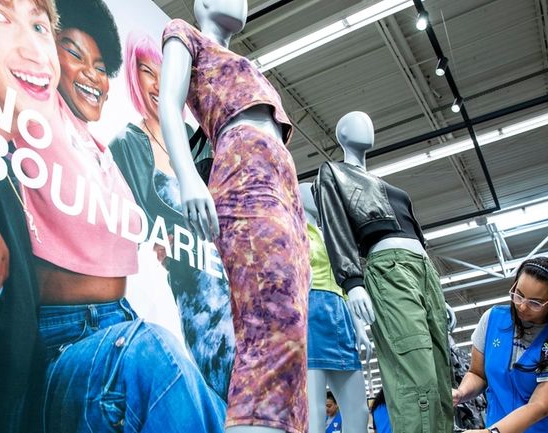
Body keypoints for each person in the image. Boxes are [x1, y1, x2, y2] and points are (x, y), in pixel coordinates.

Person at [0, 0, 228, 431]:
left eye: (99, 64)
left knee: (216, 404)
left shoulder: (100, 151)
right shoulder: (30, 111)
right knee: (153, 359)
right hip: (64, 338)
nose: (92, 74)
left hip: (118, 321)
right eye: (73, 53)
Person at [160, 1, 311, 432]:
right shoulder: (184, 34)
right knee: (270, 319)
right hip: (244, 170)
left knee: (293, 326)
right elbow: (168, 107)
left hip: (281, 183)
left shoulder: (250, 65)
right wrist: (188, 178)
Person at [109, 30, 235, 400]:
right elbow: (130, 232)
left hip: (228, 297)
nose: (159, 81)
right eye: (146, 70)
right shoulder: (127, 145)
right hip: (182, 312)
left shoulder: (200, 144)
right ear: (134, 76)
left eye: (165, 70)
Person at [314, 111, 453, 433]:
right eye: (355, 121)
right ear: (340, 133)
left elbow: (416, 238)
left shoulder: (385, 184)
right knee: (417, 376)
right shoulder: (333, 172)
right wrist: (353, 281)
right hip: (389, 268)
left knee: (441, 376)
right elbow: (336, 228)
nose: (367, 126)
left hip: (423, 271)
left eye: (369, 120)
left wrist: (436, 289)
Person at [452, 257, 548, 433]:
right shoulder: (492, 320)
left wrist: (492, 432)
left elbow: (540, 405)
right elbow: (477, 373)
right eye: (518, 295)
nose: (522, 307)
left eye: (535, 302)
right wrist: (461, 393)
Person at [298, 182, 371, 433]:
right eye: (312, 193)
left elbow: (345, 283)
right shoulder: (293, 228)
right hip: (311, 313)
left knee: (359, 411)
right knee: (314, 410)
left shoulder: (329, 235)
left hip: (340, 315)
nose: (318, 198)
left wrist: (359, 327)